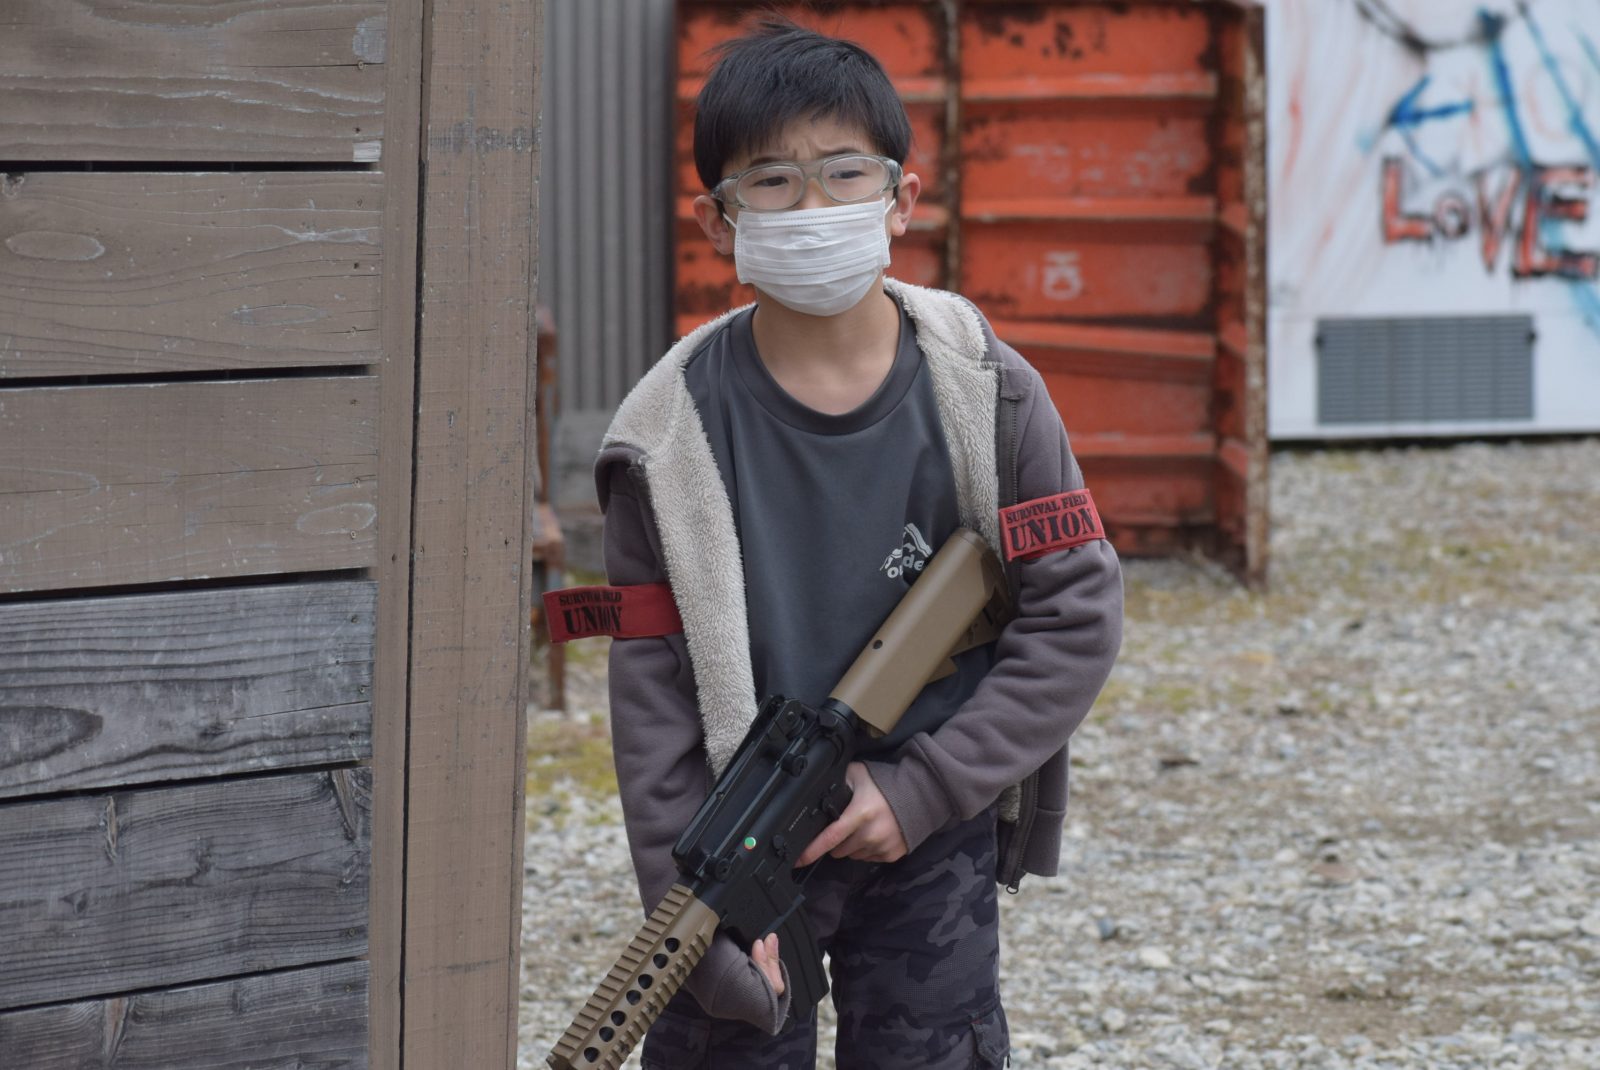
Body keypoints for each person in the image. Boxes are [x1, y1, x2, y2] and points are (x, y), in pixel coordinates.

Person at [593, 17, 1123, 1069]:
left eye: (844, 173)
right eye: (771, 181)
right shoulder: (663, 435)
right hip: (746, 830)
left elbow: (1076, 613)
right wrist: (688, 905)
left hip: (931, 833)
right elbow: (649, 692)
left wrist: (922, 789)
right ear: (717, 220)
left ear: (902, 198)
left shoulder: (988, 388)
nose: (812, 206)